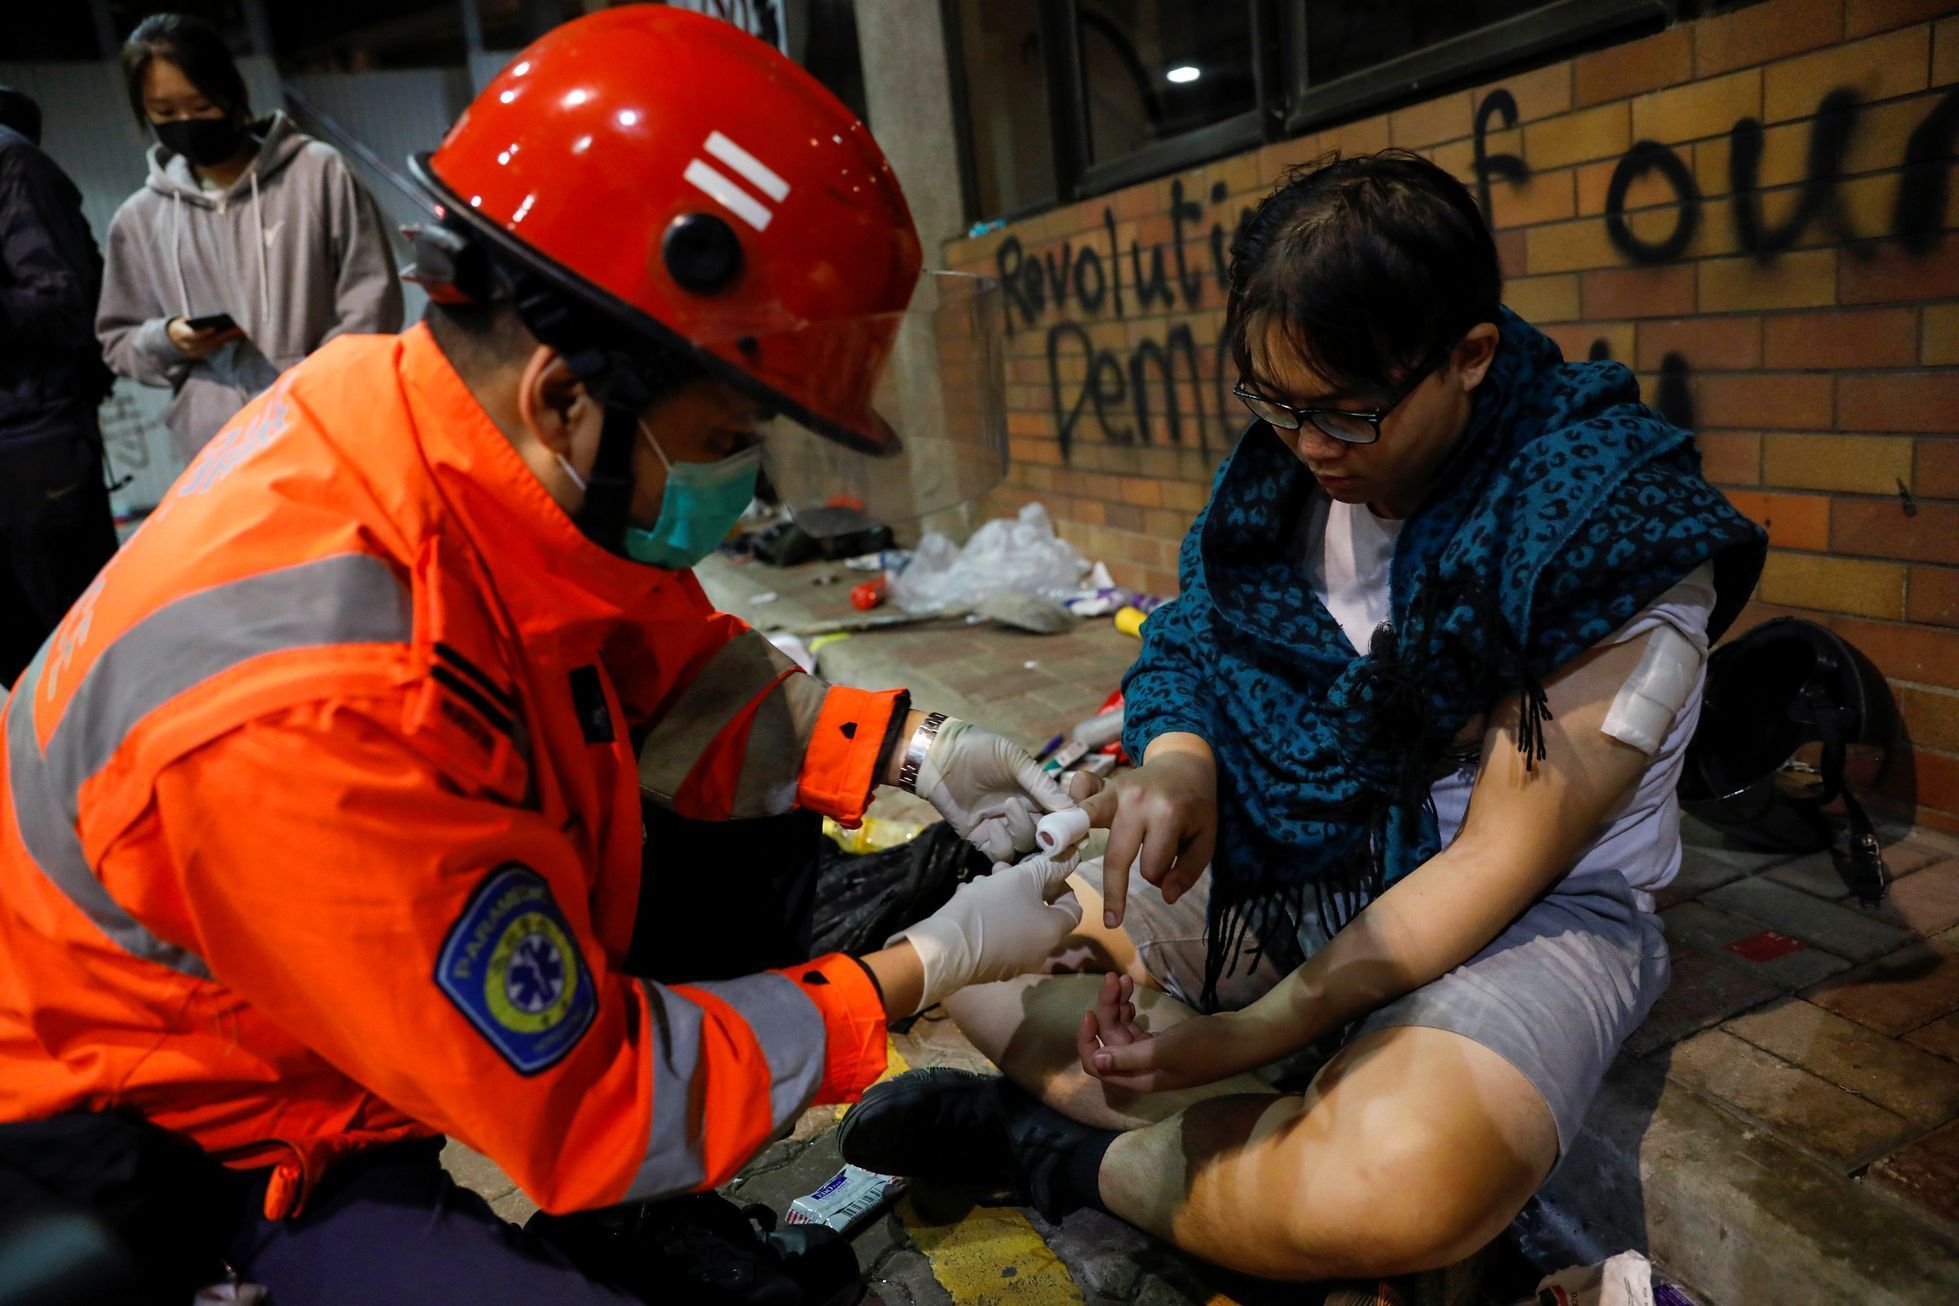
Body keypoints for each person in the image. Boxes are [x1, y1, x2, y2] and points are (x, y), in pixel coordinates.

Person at [0, 10, 1080, 1303]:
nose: (744, 481)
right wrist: (922, 969)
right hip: (176, 1125)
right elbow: (595, 1100)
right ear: (565, 393)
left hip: (308, 975)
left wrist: (915, 748)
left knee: (694, 857)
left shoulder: (408, 424)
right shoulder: (326, 692)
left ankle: (632, 1220)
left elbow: (666, 666)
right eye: (730, 429)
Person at [839, 151, 1769, 1282]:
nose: (1310, 446)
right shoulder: (1290, 475)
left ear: (1469, 356)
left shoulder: (1598, 533)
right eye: (1275, 404)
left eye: (1345, 413)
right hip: (1309, 866)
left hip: (1527, 908)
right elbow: (1195, 635)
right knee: (985, 959)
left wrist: (1243, 1031)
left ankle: (1066, 1157)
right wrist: (1180, 762)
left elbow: (1489, 865)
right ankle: (1260, 1145)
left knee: (1404, 1176)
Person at [95, 12, 402, 463]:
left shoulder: (317, 173)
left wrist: (311, 384)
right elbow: (117, 340)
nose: (186, 121)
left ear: (234, 93)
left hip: (323, 427)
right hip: (216, 451)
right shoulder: (139, 219)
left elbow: (372, 300)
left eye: (201, 106)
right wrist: (168, 338)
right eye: (164, 111)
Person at [0, 86, 119, 690]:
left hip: (32, 448)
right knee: (23, 677)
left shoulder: (11, 162)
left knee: (81, 662)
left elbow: (67, 303)